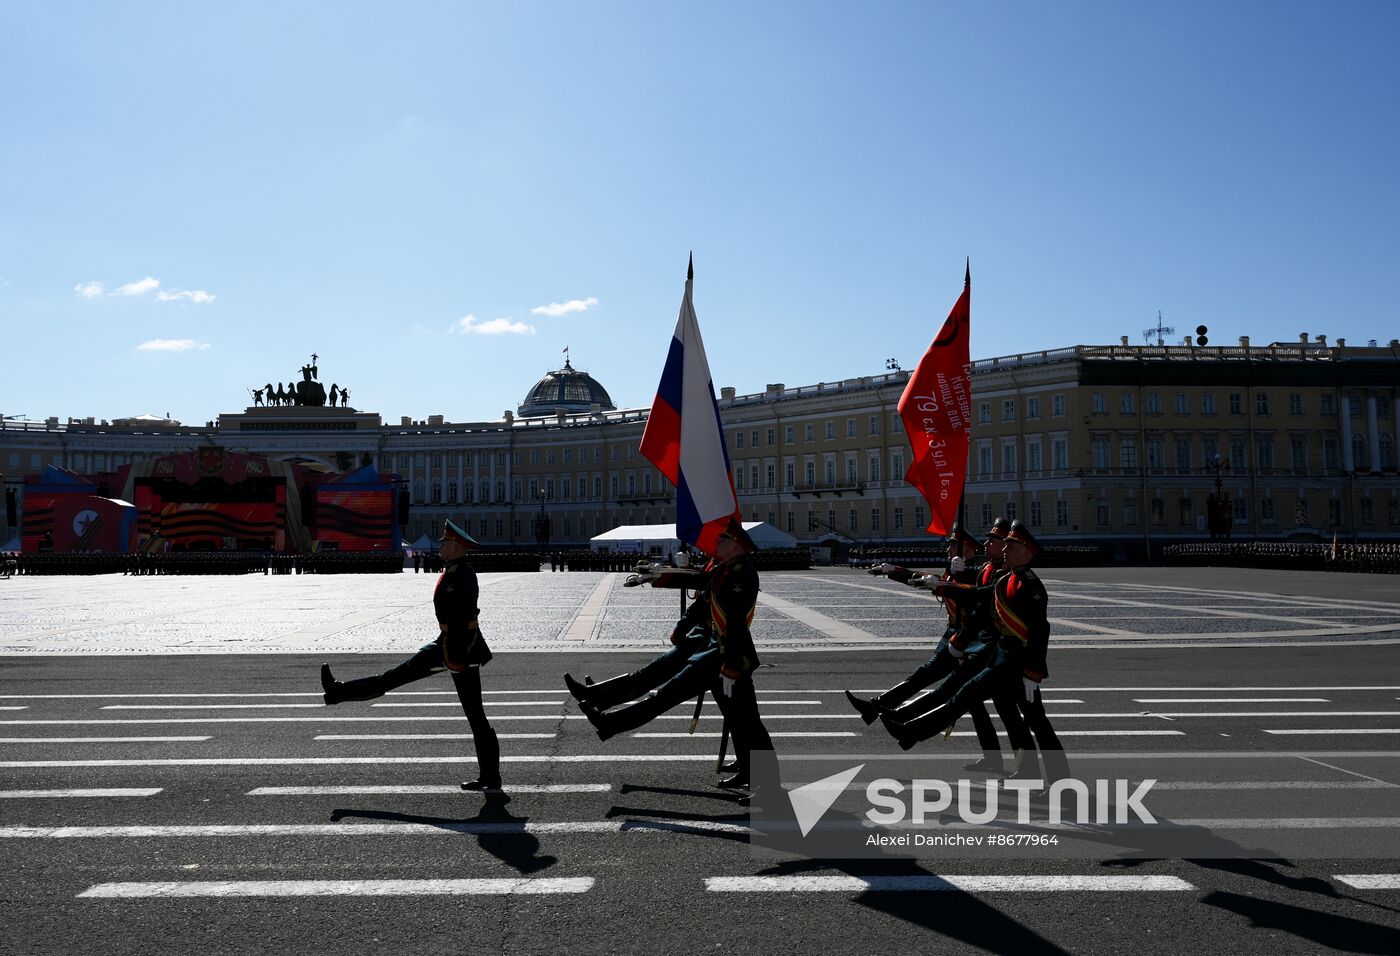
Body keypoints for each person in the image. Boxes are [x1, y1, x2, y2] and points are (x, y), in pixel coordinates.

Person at [579, 520, 773, 796]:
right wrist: (658, 578)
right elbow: (698, 584)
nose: (715, 544)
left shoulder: (742, 575)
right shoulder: (725, 570)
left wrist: (731, 664)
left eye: (721, 541)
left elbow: (735, 624)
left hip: (728, 656)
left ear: (735, 547)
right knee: (738, 717)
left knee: (739, 718)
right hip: (714, 650)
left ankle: (767, 784)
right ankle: (751, 771)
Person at [880, 520, 1064, 787]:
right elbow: (978, 594)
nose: (1004, 550)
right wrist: (939, 586)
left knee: (1037, 724)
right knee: (1009, 718)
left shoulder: (1030, 586)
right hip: (1001, 661)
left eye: (1011, 546)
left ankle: (1061, 786)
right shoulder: (1007, 580)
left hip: (1017, 667)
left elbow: (1040, 631)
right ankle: (1028, 771)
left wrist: (1033, 673)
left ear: (1025, 551)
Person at [319, 519, 501, 790]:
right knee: (394, 678)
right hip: (447, 644)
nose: (440, 548)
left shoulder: (461, 575)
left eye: (444, 544)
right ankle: (337, 692)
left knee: (475, 715)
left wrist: (456, 657)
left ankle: (491, 776)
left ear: (454, 547)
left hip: (459, 650)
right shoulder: (455, 571)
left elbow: (465, 619)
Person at [845, 519, 1017, 773]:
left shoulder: (984, 572)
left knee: (953, 694)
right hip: (960, 638)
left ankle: (893, 716)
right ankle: (888, 714)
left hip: (971, 642)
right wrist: (893, 570)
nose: (948, 551)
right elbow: (930, 580)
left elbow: (971, 594)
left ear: (968, 551)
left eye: (954, 547)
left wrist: (961, 575)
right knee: (967, 701)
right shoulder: (967, 569)